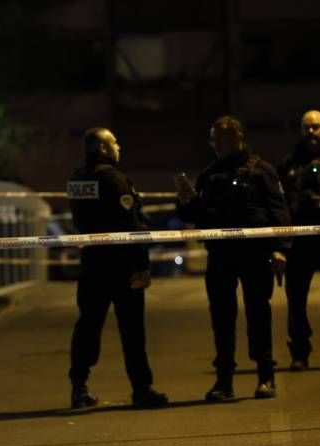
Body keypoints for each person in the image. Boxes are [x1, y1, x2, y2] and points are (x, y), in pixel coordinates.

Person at [177, 116, 291, 401]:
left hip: (255, 252)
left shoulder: (261, 170)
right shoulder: (209, 175)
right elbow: (197, 216)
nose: (215, 145)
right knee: (222, 318)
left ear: (237, 138)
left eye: (220, 139)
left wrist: (280, 248)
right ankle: (224, 381)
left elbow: (279, 212)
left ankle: (266, 376)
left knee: (258, 314)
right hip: (221, 255)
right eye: (212, 139)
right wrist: (187, 202)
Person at [66, 128, 168, 409]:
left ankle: (79, 387)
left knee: (87, 326)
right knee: (132, 330)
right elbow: (131, 226)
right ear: (102, 148)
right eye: (114, 143)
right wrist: (141, 267)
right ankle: (141, 388)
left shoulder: (77, 179)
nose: (118, 147)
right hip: (121, 265)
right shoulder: (114, 179)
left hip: (91, 264)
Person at [278, 110, 320, 371]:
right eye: (307, 127)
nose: (311, 132)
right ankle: (299, 352)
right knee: (296, 299)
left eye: (316, 127)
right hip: (301, 241)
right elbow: (280, 205)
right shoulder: (289, 163)